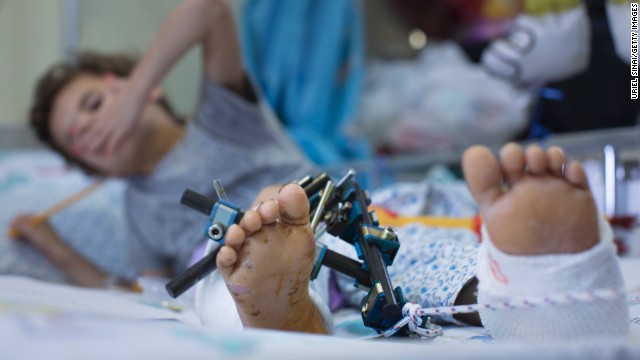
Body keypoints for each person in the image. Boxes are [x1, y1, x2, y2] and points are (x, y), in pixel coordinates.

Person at [10, 0, 315, 287]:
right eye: (76, 141)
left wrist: (134, 92)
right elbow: (149, 298)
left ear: (149, 89)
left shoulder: (222, 117)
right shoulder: (139, 213)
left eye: (93, 104)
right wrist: (55, 249)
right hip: (249, 291)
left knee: (273, 200)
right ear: (102, 171)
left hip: (325, 232)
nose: (89, 128)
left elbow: (210, 11)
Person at [205, 142, 629, 341]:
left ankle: (536, 279)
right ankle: (282, 311)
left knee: (414, 260)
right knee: (256, 232)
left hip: (394, 220)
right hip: (308, 240)